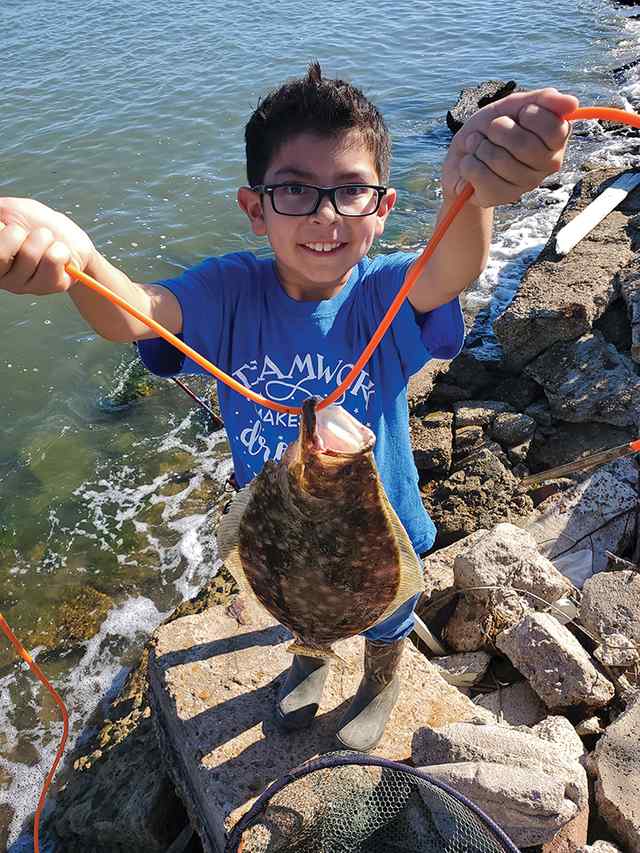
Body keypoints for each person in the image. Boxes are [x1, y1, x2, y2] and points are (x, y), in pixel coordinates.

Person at [0, 63, 578, 751]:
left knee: (388, 615)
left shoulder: (383, 291)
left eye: (351, 191)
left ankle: (381, 678)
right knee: (292, 604)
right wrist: (80, 258)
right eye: (296, 190)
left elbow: (451, 270)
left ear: (384, 205)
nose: (326, 216)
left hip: (380, 521)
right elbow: (135, 314)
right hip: (280, 524)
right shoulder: (228, 292)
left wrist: (471, 193)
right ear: (255, 207)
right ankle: (309, 657)